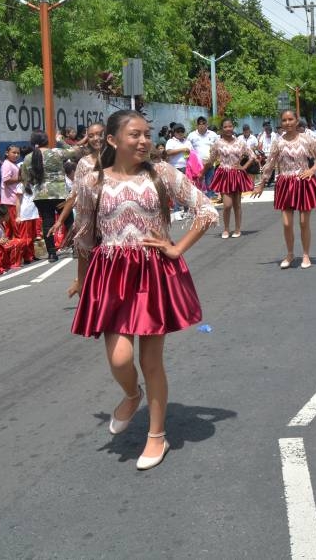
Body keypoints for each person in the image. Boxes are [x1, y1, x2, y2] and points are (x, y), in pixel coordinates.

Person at [69, 109, 218, 471]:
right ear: (112, 140)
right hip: (110, 275)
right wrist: (82, 278)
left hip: (153, 273)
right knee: (120, 358)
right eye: (135, 135)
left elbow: (205, 209)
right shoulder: (93, 182)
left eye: (147, 134)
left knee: (151, 361)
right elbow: (84, 237)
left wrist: (177, 248)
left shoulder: (162, 173)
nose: (144, 141)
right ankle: (131, 394)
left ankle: (156, 435)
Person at [251, 110, 316, 269]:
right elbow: (270, 164)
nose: (287, 123)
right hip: (285, 183)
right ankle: (290, 253)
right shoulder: (278, 142)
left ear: (296, 120)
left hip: (303, 182)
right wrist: (262, 183)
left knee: (303, 222)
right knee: (286, 224)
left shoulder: (306, 139)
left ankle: (306, 255)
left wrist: (313, 170)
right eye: (284, 120)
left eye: (290, 119)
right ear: (281, 122)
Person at [21, 131, 75, 262]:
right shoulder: (56, 152)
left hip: (41, 195)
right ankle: (75, 248)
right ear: (47, 140)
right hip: (60, 192)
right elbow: (73, 151)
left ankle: (52, 253)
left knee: (47, 223)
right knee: (68, 222)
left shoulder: (28, 157)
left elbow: (25, 177)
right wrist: (60, 140)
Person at [207, 118, 255, 238]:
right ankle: (226, 229)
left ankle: (238, 228)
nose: (228, 129)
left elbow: (252, 156)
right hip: (223, 174)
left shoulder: (240, 142)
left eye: (230, 126)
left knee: (237, 204)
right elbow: (211, 160)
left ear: (233, 127)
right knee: (227, 205)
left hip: (237, 174)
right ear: (221, 129)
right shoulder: (218, 143)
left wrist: (243, 167)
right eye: (225, 127)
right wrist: (201, 172)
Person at [187, 116, 220, 197]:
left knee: (210, 183)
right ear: (197, 125)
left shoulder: (213, 135)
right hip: (196, 166)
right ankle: (200, 202)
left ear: (207, 125)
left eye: (203, 124)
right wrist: (187, 161)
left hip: (209, 163)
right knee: (198, 184)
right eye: (200, 124)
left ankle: (210, 201)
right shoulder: (191, 135)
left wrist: (215, 160)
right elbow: (187, 149)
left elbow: (218, 147)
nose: (202, 125)